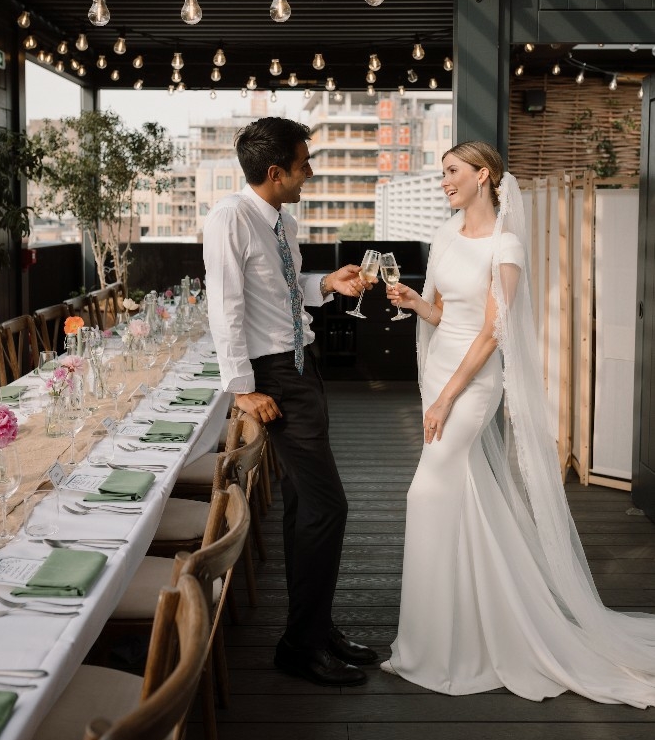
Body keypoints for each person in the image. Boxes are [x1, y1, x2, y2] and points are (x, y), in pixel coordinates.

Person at [380, 140, 655, 705]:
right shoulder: (444, 234)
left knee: (425, 494)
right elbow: (443, 312)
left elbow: (491, 332)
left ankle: (435, 646)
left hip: (471, 383)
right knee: (460, 497)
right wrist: (414, 302)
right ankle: (462, 630)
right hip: (439, 370)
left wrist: (446, 399)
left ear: (483, 175)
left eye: (452, 171)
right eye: (442, 172)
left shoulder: (505, 244)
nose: (444, 180)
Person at [202, 116, 378, 687]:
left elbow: (281, 292)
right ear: (275, 172)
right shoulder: (230, 218)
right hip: (274, 376)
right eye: (305, 164)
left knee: (306, 503)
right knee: (329, 506)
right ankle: (301, 645)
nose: (311, 172)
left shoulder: (282, 220)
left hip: (302, 367)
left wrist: (325, 285)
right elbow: (225, 306)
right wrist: (242, 388)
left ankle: (313, 629)